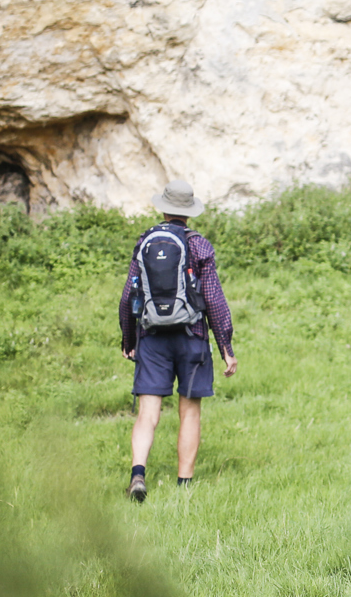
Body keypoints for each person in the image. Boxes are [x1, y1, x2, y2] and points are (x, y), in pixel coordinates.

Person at [120, 180, 238, 502]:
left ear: (164, 208)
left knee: (148, 414)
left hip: (152, 338)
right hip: (192, 339)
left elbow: (129, 295)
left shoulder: (145, 241)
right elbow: (214, 300)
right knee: (190, 413)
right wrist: (226, 347)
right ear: (189, 213)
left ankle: (138, 473)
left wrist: (129, 339)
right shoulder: (198, 246)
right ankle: (184, 488)